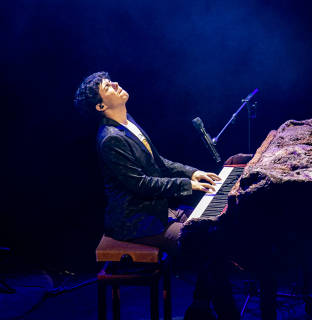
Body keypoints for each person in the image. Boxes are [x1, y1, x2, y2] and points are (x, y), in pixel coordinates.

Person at [74, 71, 239, 320]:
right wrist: (187, 185)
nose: (116, 84)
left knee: (213, 230)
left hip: (155, 210)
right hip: (135, 221)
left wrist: (193, 173)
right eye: (108, 87)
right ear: (100, 105)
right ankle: (215, 312)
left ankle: (200, 307)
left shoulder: (127, 121)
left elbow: (158, 162)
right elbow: (140, 184)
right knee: (206, 243)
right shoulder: (110, 140)